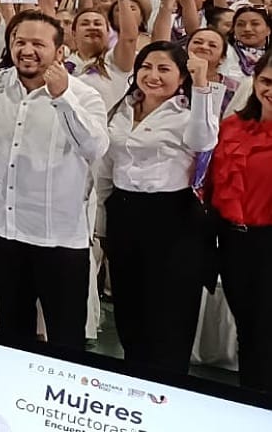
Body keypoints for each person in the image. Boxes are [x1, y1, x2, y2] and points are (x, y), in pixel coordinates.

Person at [0, 11, 109, 350]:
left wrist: (62, 97)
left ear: (59, 52)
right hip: (5, 231)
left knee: (65, 336)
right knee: (13, 330)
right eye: (20, 42)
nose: (27, 50)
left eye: (38, 44)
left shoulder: (84, 95)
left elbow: (95, 148)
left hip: (60, 238)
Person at [94, 42, 216, 374]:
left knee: (169, 311)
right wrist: (101, 224)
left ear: (181, 77)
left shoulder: (188, 113)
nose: (153, 76)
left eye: (164, 69)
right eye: (146, 67)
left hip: (172, 219)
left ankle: (168, 382)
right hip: (124, 212)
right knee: (129, 306)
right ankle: (135, 374)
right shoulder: (122, 109)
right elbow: (106, 168)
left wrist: (201, 86)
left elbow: (203, 141)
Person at [209, 50, 272, 392]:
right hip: (234, 243)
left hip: (268, 242)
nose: (270, 90)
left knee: (265, 331)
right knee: (248, 330)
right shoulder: (232, 126)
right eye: (266, 81)